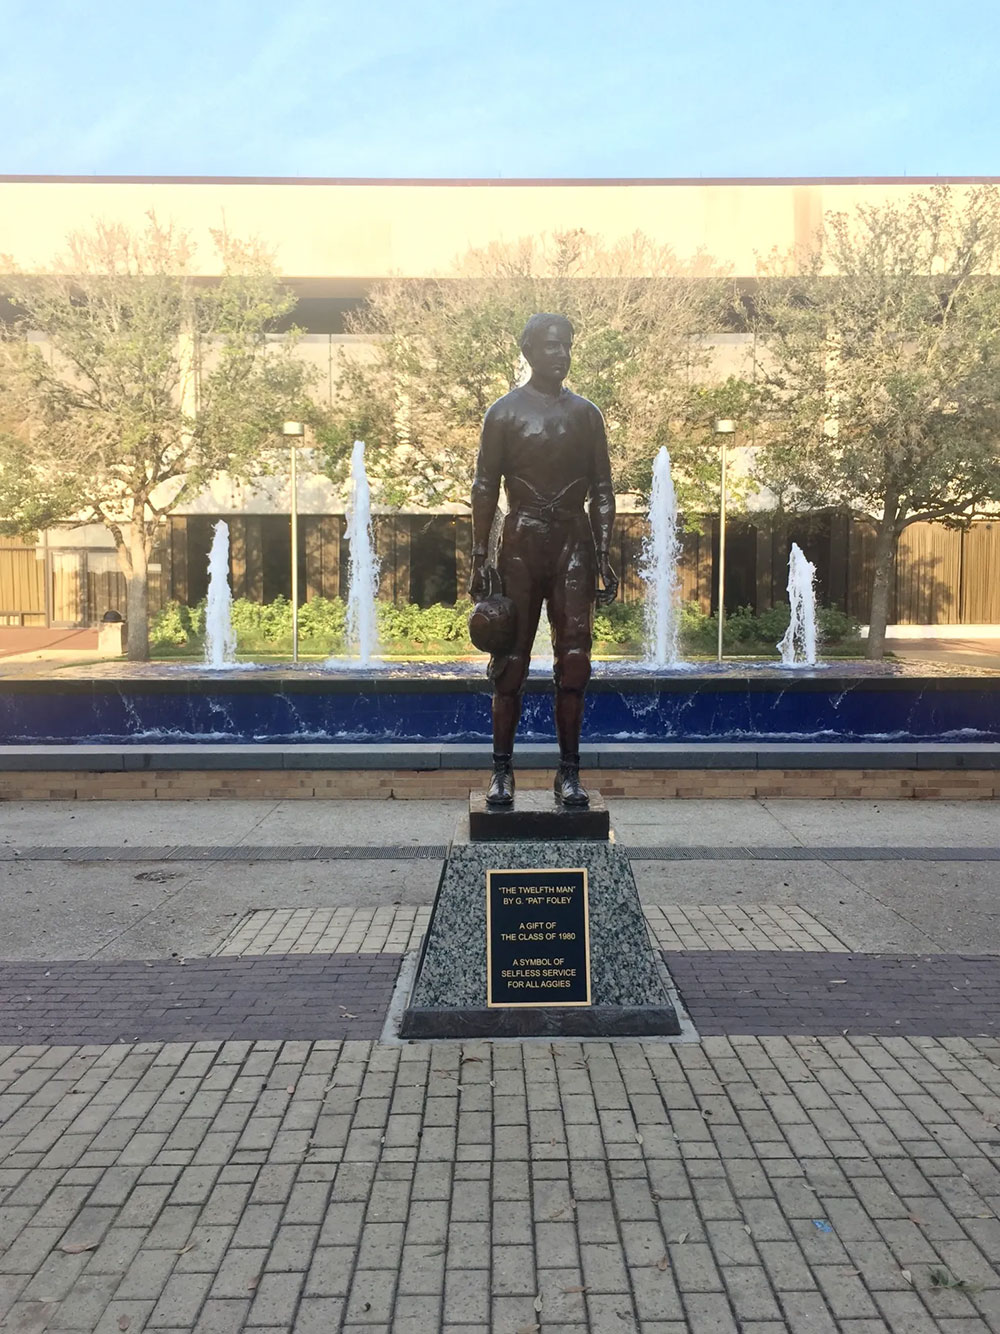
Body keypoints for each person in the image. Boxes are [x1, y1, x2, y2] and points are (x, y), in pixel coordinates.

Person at [469, 313, 618, 808]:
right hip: (520, 543)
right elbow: (485, 486)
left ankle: (568, 772)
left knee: (575, 660)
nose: (561, 354)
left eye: (567, 346)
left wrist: (602, 551)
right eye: (552, 346)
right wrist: (477, 554)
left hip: (572, 543)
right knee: (509, 663)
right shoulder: (504, 413)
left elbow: (602, 489)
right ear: (529, 351)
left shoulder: (586, 415)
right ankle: (502, 771)